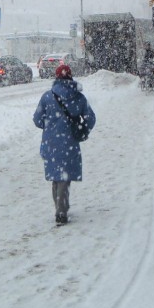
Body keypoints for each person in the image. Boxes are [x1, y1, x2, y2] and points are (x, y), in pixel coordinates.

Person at [32, 64, 96, 225]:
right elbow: (91, 117)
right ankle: (61, 211)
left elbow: (37, 119)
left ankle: (59, 208)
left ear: (57, 77)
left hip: (51, 142)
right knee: (64, 178)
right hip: (69, 143)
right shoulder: (79, 98)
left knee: (56, 177)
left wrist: (49, 125)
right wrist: (82, 128)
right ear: (70, 77)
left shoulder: (47, 97)